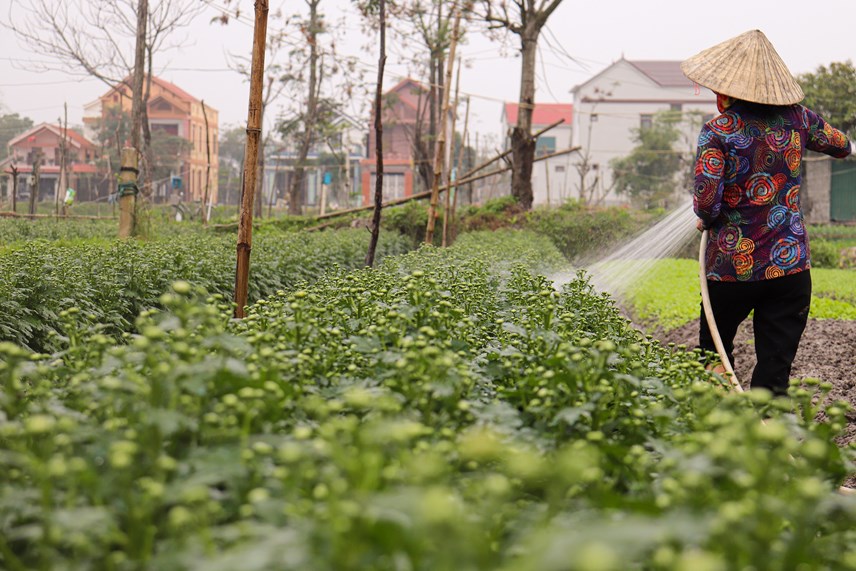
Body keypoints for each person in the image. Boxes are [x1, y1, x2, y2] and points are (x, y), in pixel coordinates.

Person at [682, 30, 854, 395]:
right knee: (774, 373)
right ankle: (768, 438)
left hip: (731, 271)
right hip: (789, 269)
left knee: (714, 355)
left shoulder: (717, 131)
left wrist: (707, 217)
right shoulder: (799, 119)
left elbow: (707, 200)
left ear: (727, 91)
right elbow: (840, 146)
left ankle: (719, 425)